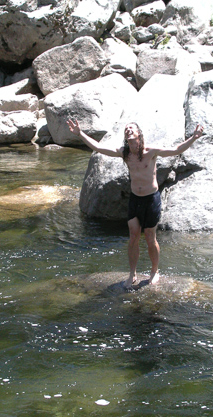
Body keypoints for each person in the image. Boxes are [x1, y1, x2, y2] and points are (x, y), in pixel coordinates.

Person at [67, 118, 204, 289]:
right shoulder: (124, 152)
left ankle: (154, 271)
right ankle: (132, 273)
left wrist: (194, 138)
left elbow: (176, 150)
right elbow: (98, 148)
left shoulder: (150, 151)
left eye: (131, 128)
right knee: (133, 237)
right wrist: (79, 133)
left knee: (149, 238)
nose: (128, 130)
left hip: (151, 199)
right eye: (126, 129)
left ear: (138, 133)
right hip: (134, 199)